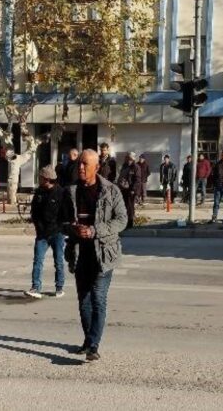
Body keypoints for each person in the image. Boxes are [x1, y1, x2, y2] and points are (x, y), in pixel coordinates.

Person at [62, 149, 127, 362]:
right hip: (80, 254)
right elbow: (62, 222)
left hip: (104, 254)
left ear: (96, 167)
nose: (80, 167)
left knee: (98, 299)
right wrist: (73, 229)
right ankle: (89, 339)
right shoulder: (71, 192)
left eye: (85, 164)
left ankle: (93, 345)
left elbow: (122, 220)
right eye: (79, 163)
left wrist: (94, 230)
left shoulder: (111, 191)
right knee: (84, 301)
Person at [25, 165, 66, 299]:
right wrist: (38, 226)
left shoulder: (60, 192)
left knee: (58, 261)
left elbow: (66, 213)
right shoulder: (39, 192)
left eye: (41, 177)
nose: (39, 180)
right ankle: (35, 287)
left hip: (57, 233)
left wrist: (61, 227)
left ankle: (59, 287)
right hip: (42, 234)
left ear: (47, 179)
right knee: (38, 260)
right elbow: (34, 212)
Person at [118, 152, 141, 228]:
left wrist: (133, 190)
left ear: (133, 159)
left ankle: (130, 223)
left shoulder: (136, 167)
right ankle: (125, 222)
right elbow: (121, 177)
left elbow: (137, 180)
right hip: (123, 190)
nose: (129, 160)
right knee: (124, 207)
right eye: (127, 158)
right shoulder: (124, 166)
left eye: (130, 159)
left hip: (131, 191)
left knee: (130, 207)